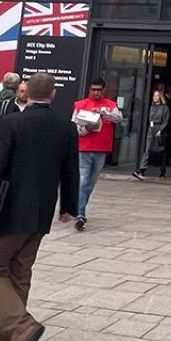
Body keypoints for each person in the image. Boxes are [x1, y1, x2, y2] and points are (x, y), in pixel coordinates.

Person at [0, 73, 78, 341]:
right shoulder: (66, 128)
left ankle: (21, 326)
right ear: (53, 95)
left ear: (25, 91)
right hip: (39, 216)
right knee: (19, 272)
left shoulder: (9, 124)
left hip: (7, 211)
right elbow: (70, 170)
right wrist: (69, 206)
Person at [71, 78, 121, 231]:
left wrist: (103, 112)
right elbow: (74, 125)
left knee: (90, 183)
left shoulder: (110, 105)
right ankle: (80, 214)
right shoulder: (81, 105)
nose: (96, 92)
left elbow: (118, 118)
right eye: (93, 89)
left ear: (103, 90)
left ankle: (80, 209)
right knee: (83, 180)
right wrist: (87, 129)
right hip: (84, 148)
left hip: (101, 148)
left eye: (99, 89)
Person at [133, 90, 170, 180]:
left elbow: (166, 120)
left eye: (157, 96)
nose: (155, 97)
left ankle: (162, 170)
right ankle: (142, 169)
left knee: (161, 150)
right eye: (154, 96)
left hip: (160, 128)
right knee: (147, 149)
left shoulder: (165, 108)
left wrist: (161, 130)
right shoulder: (151, 107)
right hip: (151, 128)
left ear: (160, 97)